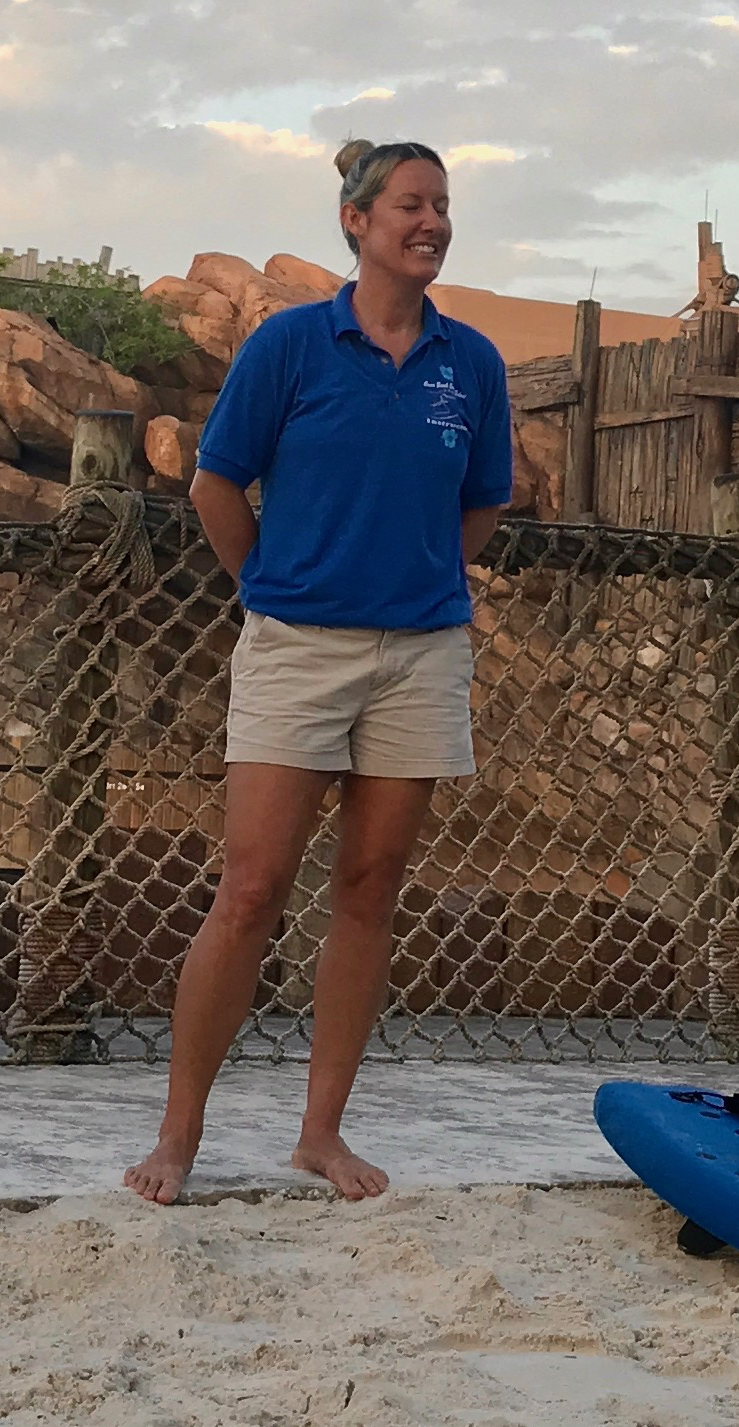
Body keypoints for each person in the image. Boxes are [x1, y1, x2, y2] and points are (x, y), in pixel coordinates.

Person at [124, 141, 513, 1204]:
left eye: (442, 205)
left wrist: (427, 574)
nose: (429, 222)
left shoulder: (470, 364)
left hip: (421, 654)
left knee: (371, 889)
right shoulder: (290, 345)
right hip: (295, 646)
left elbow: (482, 501)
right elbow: (216, 482)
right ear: (357, 220)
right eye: (409, 205)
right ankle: (178, 1137)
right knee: (250, 891)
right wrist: (269, 585)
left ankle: (322, 1133)